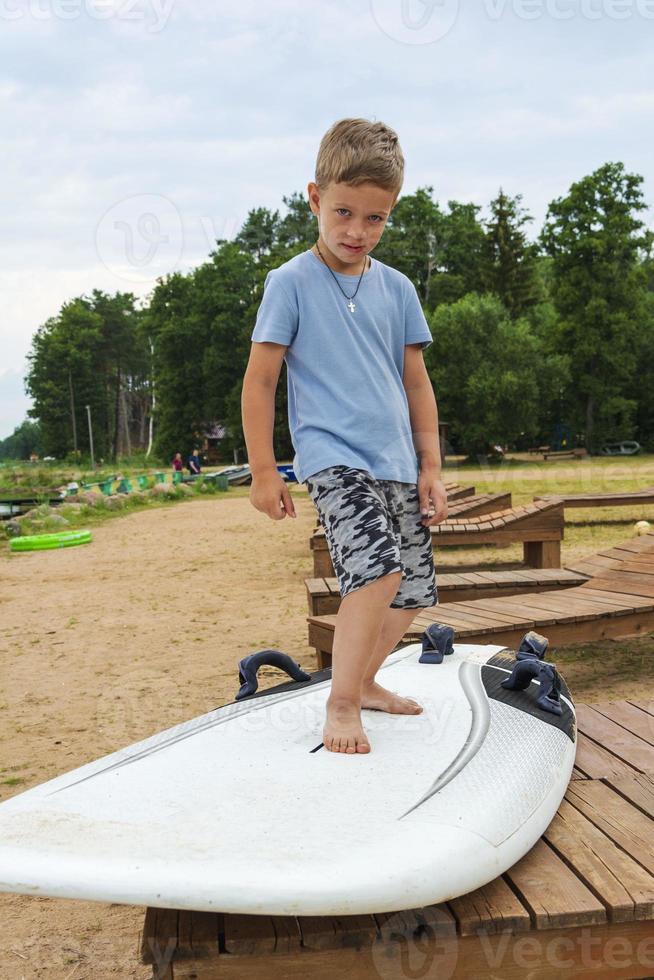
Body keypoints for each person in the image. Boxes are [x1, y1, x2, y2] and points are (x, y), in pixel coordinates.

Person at [241, 118, 448, 755]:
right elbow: (260, 381)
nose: (357, 231)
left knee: (413, 589)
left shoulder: (399, 288)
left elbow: (416, 382)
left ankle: (364, 680)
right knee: (376, 571)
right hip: (332, 458)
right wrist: (263, 471)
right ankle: (340, 702)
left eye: (376, 218)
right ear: (314, 198)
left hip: (395, 461)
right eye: (344, 212)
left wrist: (431, 466)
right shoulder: (291, 282)